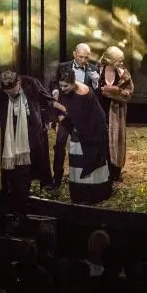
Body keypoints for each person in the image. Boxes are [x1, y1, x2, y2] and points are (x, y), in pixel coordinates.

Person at [0, 70, 59, 221]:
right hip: (11, 140)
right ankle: (17, 212)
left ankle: (21, 212)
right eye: (8, 93)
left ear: (19, 83)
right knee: (14, 176)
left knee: (25, 174)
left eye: (13, 92)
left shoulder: (31, 84)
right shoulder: (0, 95)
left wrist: (53, 118)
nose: (11, 95)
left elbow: (47, 101)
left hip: (31, 136)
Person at [47, 43, 100, 193]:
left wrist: (96, 82)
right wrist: (56, 91)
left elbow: (96, 96)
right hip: (65, 114)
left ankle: (84, 178)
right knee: (59, 145)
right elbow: (53, 83)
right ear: (74, 54)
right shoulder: (63, 66)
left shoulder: (93, 69)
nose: (83, 60)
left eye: (86, 57)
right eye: (81, 57)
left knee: (85, 145)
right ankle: (57, 179)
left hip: (83, 116)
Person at [55, 70, 111, 204]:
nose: (62, 89)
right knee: (77, 155)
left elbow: (77, 114)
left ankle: (93, 193)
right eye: (60, 86)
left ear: (73, 83)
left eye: (65, 86)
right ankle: (78, 192)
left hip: (93, 127)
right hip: (80, 127)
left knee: (91, 156)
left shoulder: (83, 92)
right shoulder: (70, 90)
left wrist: (60, 108)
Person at [97, 46, 134, 182]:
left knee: (116, 141)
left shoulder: (124, 74)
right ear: (109, 60)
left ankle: (115, 172)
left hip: (116, 113)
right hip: (99, 111)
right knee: (101, 141)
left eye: (122, 60)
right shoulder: (96, 72)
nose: (121, 63)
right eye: (119, 61)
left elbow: (129, 93)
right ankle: (101, 171)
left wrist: (115, 91)